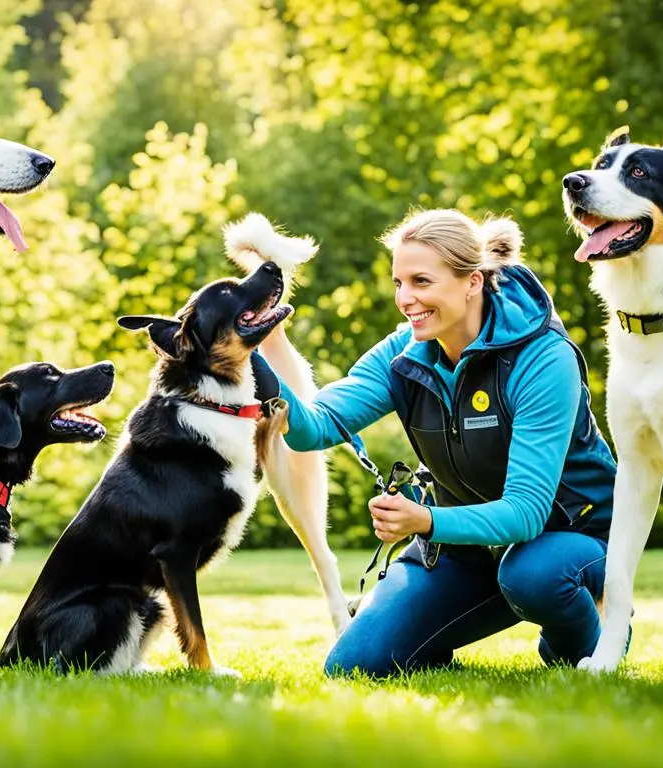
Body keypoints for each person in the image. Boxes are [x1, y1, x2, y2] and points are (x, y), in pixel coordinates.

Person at [262, 209, 621, 676]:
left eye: (421, 282)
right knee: (355, 664)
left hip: (571, 538)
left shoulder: (543, 360)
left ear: (472, 281)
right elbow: (315, 427)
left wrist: (425, 519)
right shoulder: (404, 352)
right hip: (466, 548)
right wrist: (252, 346)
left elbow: (527, 512)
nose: (405, 299)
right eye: (398, 283)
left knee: (534, 575)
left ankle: (597, 628)